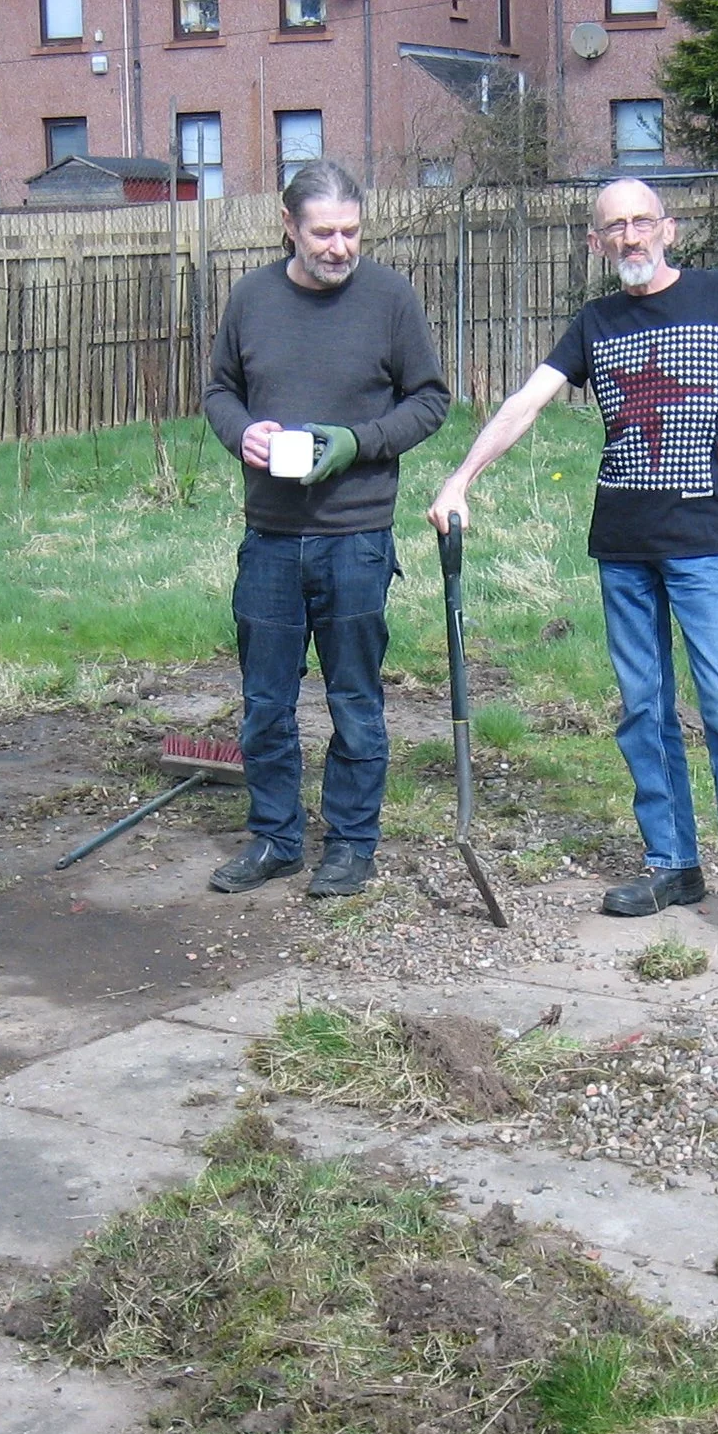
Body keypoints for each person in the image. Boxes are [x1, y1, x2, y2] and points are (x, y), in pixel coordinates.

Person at [427, 179, 718, 952]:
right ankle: (672, 863)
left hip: (701, 543)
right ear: (596, 243)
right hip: (621, 545)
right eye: (614, 227)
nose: (630, 236)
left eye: (641, 222)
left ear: (668, 229)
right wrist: (461, 478)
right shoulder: (595, 322)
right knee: (643, 709)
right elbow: (525, 402)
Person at [202, 159, 451, 897]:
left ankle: (350, 845)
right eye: (323, 234)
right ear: (289, 226)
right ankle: (275, 838)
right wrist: (242, 433)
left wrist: (358, 442)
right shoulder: (251, 298)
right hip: (271, 537)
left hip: (356, 537)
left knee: (355, 701)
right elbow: (219, 392)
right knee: (265, 703)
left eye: (351, 232)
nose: (340, 247)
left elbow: (430, 400)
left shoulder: (390, 298)